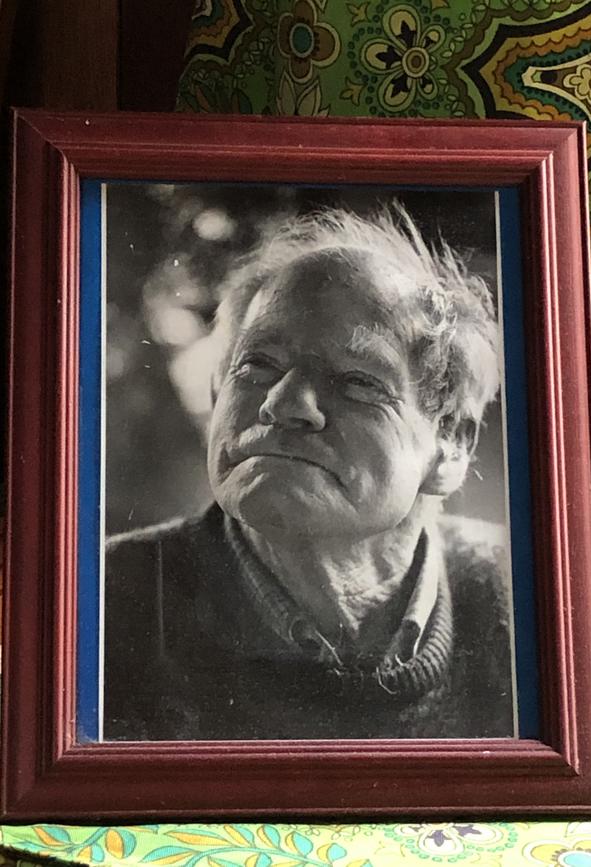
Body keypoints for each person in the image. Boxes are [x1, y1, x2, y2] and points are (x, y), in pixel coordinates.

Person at [104, 204, 514, 741]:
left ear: (451, 444)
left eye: (355, 381)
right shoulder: (95, 602)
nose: (284, 403)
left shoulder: (525, 596)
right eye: (257, 366)